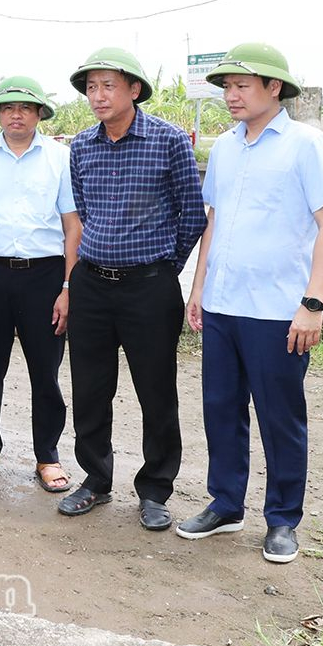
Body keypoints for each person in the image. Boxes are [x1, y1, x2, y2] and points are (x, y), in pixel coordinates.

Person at [179, 43, 323, 563]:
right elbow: (214, 221)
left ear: (275, 88)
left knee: (280, 417)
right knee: (221, 411)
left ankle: (282, 520)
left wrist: (313, 304)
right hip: (225, 304)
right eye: (226, 86)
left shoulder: (307, 145)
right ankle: (226, 504)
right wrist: (200, 287)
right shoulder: (226, 148)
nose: (231, 95)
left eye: (242, 86)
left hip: (278, 311)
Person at [59, 47, 206, 531]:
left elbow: (191, 214)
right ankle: (96, 480)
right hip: (93, 285)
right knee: (91, 389)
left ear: (134, 89)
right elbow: (82, 212)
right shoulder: (81, 146)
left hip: (149, 287)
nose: (97, 97)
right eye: (91, 87)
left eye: (108, 86)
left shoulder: (167, 141)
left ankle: (155, 490)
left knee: (156, 390)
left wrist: (166, 268)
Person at [0, 77, 81, 491]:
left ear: (40, 113)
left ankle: (48, 455)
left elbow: (71, 224)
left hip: (44, 276)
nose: (16, 115)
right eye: (8, 108)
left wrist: (67, 287)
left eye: (26, 108)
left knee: (45, 370)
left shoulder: (61, 157)